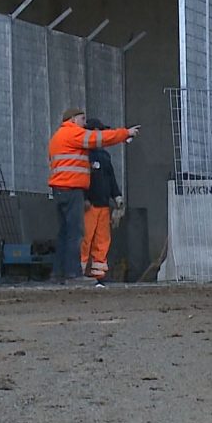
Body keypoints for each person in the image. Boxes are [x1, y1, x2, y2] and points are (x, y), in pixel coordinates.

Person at [48, 108, 139, 284]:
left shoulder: (58, 137)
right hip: (71, 189)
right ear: (73, 119)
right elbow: (101, 138)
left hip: (60, 189)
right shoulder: (73, 134)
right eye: (82, 119)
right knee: (76, 233)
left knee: (65, 232)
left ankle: (59, 273)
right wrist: (125, 133)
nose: (85, 123)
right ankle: (74, 274)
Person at [80, 118, 124, 288]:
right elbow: (81, 178)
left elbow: (110, 178)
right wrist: (84, 198)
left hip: (104, 205)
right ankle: (80, 273)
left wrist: (117, 196)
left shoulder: (104, 156)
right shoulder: (84, 154)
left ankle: (99, 275)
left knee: (102, 241)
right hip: (90, 205)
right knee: (85, 240)